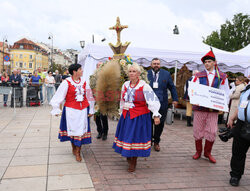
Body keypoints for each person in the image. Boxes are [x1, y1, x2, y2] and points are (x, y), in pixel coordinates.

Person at [113, 63, 161, 172]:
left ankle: (133, 161)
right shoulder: (125, 85)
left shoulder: (144, 86)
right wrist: (121, 111)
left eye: (134, 71)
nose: (131, 73)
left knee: (134, 138)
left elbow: (153, 100)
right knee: (126, 137)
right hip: (126, 115)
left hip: (139, 117)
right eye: (130, 71)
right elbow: (122, 100)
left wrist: (156, 114)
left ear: (139, 73)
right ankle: (128, 156)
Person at [50, 64, 95, 162]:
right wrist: (56, 108)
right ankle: (74, 148)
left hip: (83, 110)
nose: (82, 71)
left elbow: (89, 95)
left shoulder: (84, 82)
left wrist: (91, 109)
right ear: (74, 72)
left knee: (80, 131)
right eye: (80, 69)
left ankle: (78, 151)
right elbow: (59, 95)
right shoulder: (67, 82)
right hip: (71, 110)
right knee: (73, 130)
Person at [191, 50, 230, 163]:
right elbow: (193, 89)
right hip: (200, 108)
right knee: (198, 129)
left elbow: (226, 93)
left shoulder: (222, 77)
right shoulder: (198, 75)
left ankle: (207, 153)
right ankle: (198, 151)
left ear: (214, 62)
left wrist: (223, 105)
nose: (207, 64)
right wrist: (195, 99)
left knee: (212, 131)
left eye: (209, 61)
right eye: (205, 62)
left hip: (213, 109)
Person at [147, 58, 178, 152]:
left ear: (160, 65)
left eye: (158, 63)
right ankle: (148, 142)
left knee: (159, 124)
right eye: (154, 63)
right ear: (151, 64)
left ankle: (156, 141)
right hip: (148, 103)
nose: (156, 65)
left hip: (162, 103)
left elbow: (172, 87)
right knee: (148, 123)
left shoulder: (166, 74)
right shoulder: (146, 74)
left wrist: (175, 99)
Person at [227, 83, 250, 186]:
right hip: (241, 123)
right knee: (238, 151)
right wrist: (232, 117)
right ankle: (235, 175)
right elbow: (241, 105)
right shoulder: (247, 88)